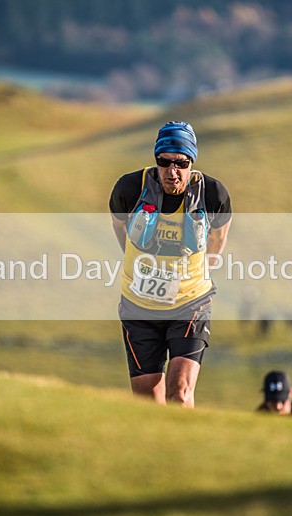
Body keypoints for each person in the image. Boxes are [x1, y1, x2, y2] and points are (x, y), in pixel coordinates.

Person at [109, 121, 232, 408]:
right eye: (164, 162)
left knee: (179, 393)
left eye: (181, 163)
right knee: (148, 403)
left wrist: (197, 272)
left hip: (191, 304)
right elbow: (120, 230)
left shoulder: (213, 195)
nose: (172, 172)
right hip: (138, 307)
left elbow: (219, 237)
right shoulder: (129, 188)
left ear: (192, 162)